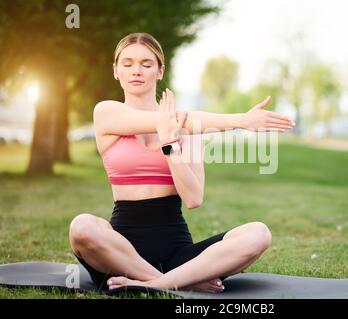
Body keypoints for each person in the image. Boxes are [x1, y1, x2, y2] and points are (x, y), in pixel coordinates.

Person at [69, 32, 294, 293]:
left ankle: (160, 284)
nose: (136, 71)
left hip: (179, 254)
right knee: (82, 226)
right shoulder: (106, 112)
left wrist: (170, 145)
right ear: (116, 70)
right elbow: (173, 119)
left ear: (160, 70)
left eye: (146, 64)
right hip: (120, 255)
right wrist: (241, 120)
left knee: (258, 233)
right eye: (127, 64)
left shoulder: (187, 130)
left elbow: (193, 199)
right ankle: (171, 282)